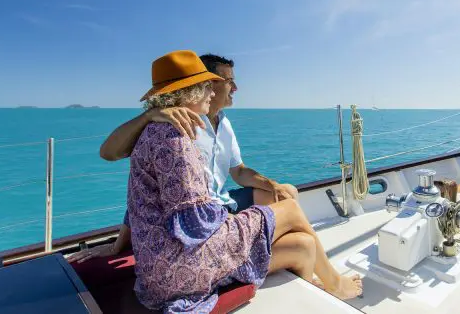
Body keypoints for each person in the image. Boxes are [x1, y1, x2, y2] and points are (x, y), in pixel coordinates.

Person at [110, 50, 363, 312]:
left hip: (159, 269)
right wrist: (241, 222)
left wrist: (265, 195)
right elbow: (196, 225)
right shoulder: (176, 138)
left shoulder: (159, 132)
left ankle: (310, 280)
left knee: (303, 244)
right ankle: (335, 284)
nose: (211, 91)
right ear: (191, 91)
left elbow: (143, 199)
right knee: (289, 210)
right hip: (182, 264)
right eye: (206, 85)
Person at [70, 53, 299, 263]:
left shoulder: (225, 123)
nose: (236, 88)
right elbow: (134, 178)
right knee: (293, 220)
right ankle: (279, 255)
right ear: (209, 83)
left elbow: (238, 171)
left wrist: (273, 184)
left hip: (222, 203)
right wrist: (120, 244)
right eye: (229, 81)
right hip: (200, 218)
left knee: (286, 192)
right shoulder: (176, 125)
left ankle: (272, 251)